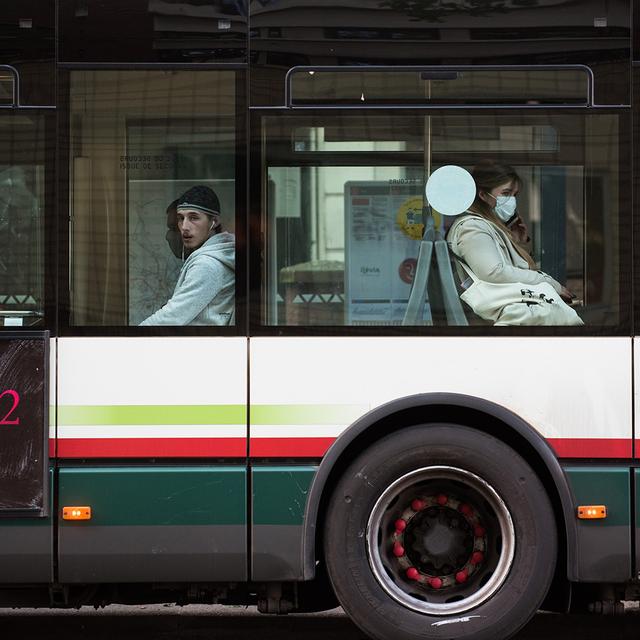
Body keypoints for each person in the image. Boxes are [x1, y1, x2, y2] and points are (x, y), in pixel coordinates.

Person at [446, 160, 578, 323]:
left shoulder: (488, 226)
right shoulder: (472, 227)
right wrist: (547, 281)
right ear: (482, 195)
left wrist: (516, 242)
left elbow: (502, 267)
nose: (511, 201)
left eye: (514, 195)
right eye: (506, 193)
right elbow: (493, 272)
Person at [140, 185, 235, 326]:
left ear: (214, 221)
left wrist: (131, 339)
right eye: (180, 218)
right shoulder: (219, 255)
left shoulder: (207, 265)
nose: (184, 226)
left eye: (193, 218)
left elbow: (172, 318)